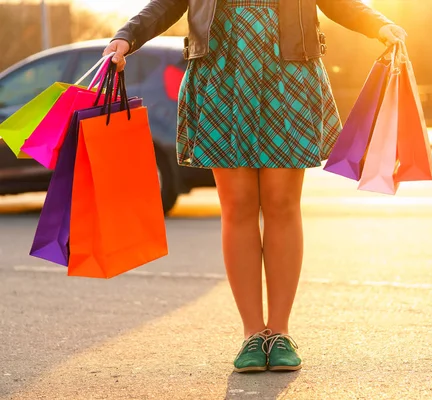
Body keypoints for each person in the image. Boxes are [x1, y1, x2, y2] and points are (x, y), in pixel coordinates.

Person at [103, 0, 406, 373]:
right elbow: (168, 4)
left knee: (281, 203)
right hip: (221, 73)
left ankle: (279, 333)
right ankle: (252, 334)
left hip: (288, 72)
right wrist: (126, 36)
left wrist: (378, 25)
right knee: (238, 205)